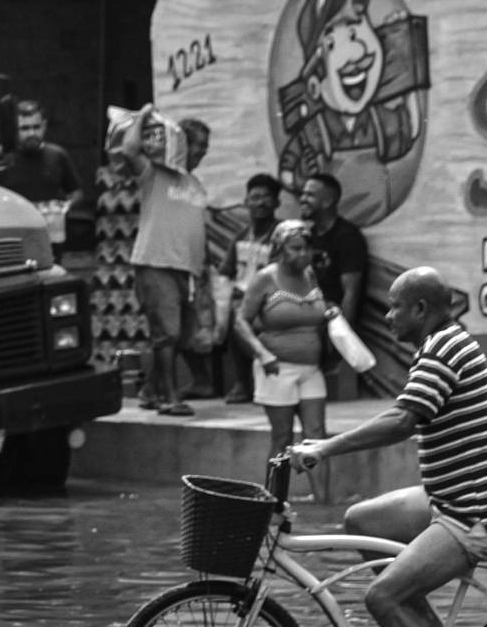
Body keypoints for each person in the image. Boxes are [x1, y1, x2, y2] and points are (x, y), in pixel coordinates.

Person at [290, 268, 487, 627]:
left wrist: (325, 448)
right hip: (456, 500)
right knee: (361, 520)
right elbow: (406, 413)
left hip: (478, 513)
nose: (388, 317)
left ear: (420, 310)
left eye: (395, 307)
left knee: (381, 597)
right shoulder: (442, 343)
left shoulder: (443, 349)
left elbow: (402, 420)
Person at [108, 106, 209, 416]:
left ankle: (151, 391)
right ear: (180, 144)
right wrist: (143, 115)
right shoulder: (154, 174)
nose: (201, 153)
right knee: (168, 334)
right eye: (196, 145)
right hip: (155, 263)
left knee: (178, 336)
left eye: (205, 148)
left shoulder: (196, 185)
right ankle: (169, 398)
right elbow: (129, 149)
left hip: (186, 270)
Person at [234, 220, 334, 502]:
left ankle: (323, 502)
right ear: (279, 249)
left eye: (306, 248)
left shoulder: (310, 275)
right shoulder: (266, 278)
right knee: (282, 437)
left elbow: (316, 311)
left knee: (317, 435)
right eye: (295, 248)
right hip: (276, 369)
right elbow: (241, 321)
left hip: (310, 369)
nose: (303, 254)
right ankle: (275, 503)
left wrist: (331, 316)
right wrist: (262, 354)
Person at [222, 175, 284, 404]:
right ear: (246, 201)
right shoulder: (240, 236)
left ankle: (262, 383)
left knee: (244, 318)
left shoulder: (281, 234)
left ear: (277, 203)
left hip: (274, 299)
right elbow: (225, 272)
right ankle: (242, 382)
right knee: (233, 316)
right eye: (255, 197)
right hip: (244, 301)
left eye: (268, 197)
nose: (261, 203)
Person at [302, 172, 370, 327]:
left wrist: (343, 335)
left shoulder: (347, 238)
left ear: (327, 201)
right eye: (303, 194)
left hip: (331, 324)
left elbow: (351, 294)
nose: (302, 199)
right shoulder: (308, 235)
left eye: (310, 195)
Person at [0, 98, 80, 208]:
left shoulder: (58, 155)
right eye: (25, 128)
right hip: (13, 222)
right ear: (14, 129)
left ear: (44, 126)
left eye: (36, 127)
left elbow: (76, 193)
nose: (32, 133)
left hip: (48, 222)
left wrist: (62, 208)